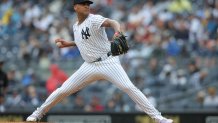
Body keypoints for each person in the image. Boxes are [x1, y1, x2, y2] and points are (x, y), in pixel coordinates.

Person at [26, 0, 173, 123]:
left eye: (88, 4)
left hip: (108, 62)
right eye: (83, 4)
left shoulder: (94, 19)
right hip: (89, 66)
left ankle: (158, 118)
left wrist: (117, 32)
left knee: (129, 87)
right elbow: (84, 41)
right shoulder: (75, 26)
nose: (87, 6)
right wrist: (69, 43)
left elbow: (113, 22)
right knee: (63, 90)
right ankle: (38, 113)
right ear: (75, 7)